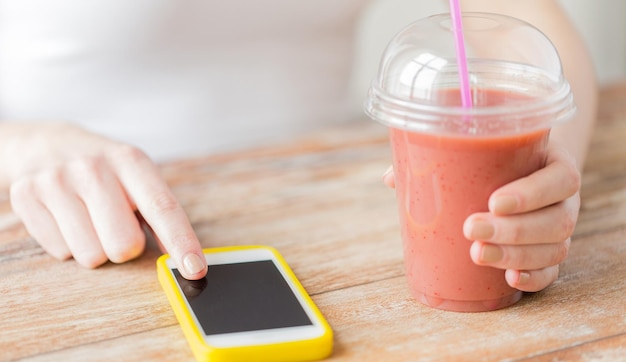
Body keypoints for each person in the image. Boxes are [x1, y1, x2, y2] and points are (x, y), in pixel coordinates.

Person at [0, 0, 597, 293]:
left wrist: (550, 168)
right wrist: (26, 145)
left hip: (336, 214)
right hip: (74, 240)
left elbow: (536, 33)